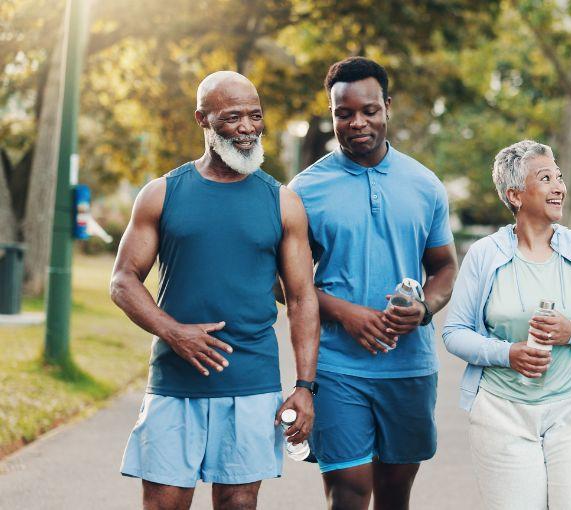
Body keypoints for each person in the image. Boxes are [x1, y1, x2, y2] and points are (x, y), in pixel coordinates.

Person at [110, 71, 320, 510]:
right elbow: (123, 281)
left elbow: (301, 299)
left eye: (255, 116)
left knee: (238, 504)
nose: (247, 128)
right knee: (164, 503)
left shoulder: (282, 202)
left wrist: (304, 386)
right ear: (202, 120)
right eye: (232, 118)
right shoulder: (161, 194)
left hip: (252, 381)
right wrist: (174, 332)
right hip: (174, 382)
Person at [288, 57, 458, 510]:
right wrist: (346, 314)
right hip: (338, 367)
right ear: (332, 116)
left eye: (368, 110)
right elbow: (285, 283)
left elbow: (444, 267)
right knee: (349, 491)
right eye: (343, 114)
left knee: (395, 493)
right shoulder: (304, 191)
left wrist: (424, 309)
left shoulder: (426, 185)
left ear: (387, 107)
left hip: (410, 369)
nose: (357, 122)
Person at [442, 140, 571, 510]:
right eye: (546, 178)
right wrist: (507, 353)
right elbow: (454, 332)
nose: (559, 186)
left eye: (558, 177)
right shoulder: (485, 255)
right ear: (515, 195)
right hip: (502, 414)